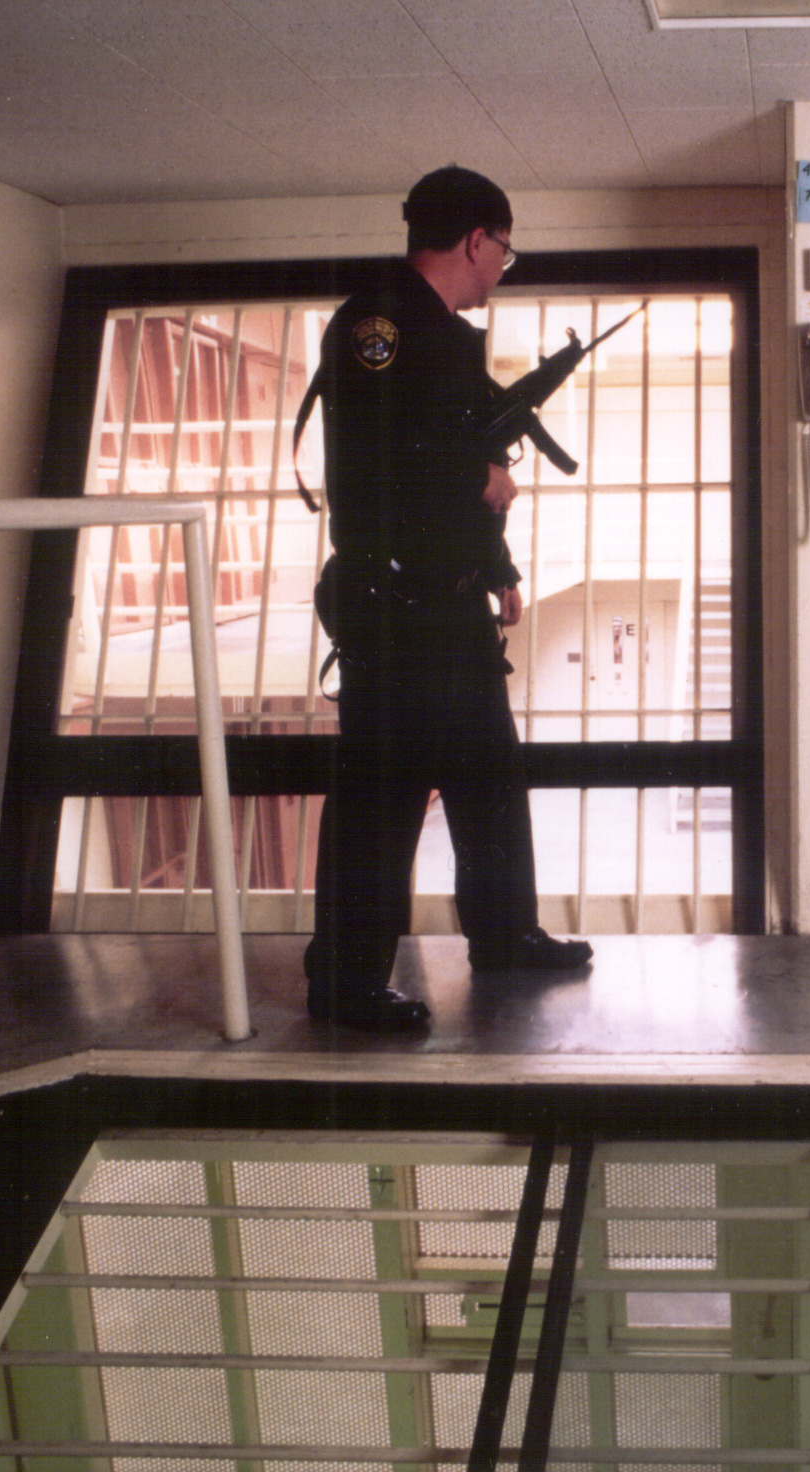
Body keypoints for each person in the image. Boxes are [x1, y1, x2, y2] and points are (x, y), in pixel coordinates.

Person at [305, 165, 591, 1031]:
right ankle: (346, 985)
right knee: (381, 803)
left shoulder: (436, 330)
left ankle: (505, 937)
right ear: (476, 239)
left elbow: (459, 453)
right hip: (395, 609)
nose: (503, 265)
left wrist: (495, 567)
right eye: (503, 248)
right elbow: (385, 460)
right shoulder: (380, 323)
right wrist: (481, 479)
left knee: (490, 782)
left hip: (449, 603)